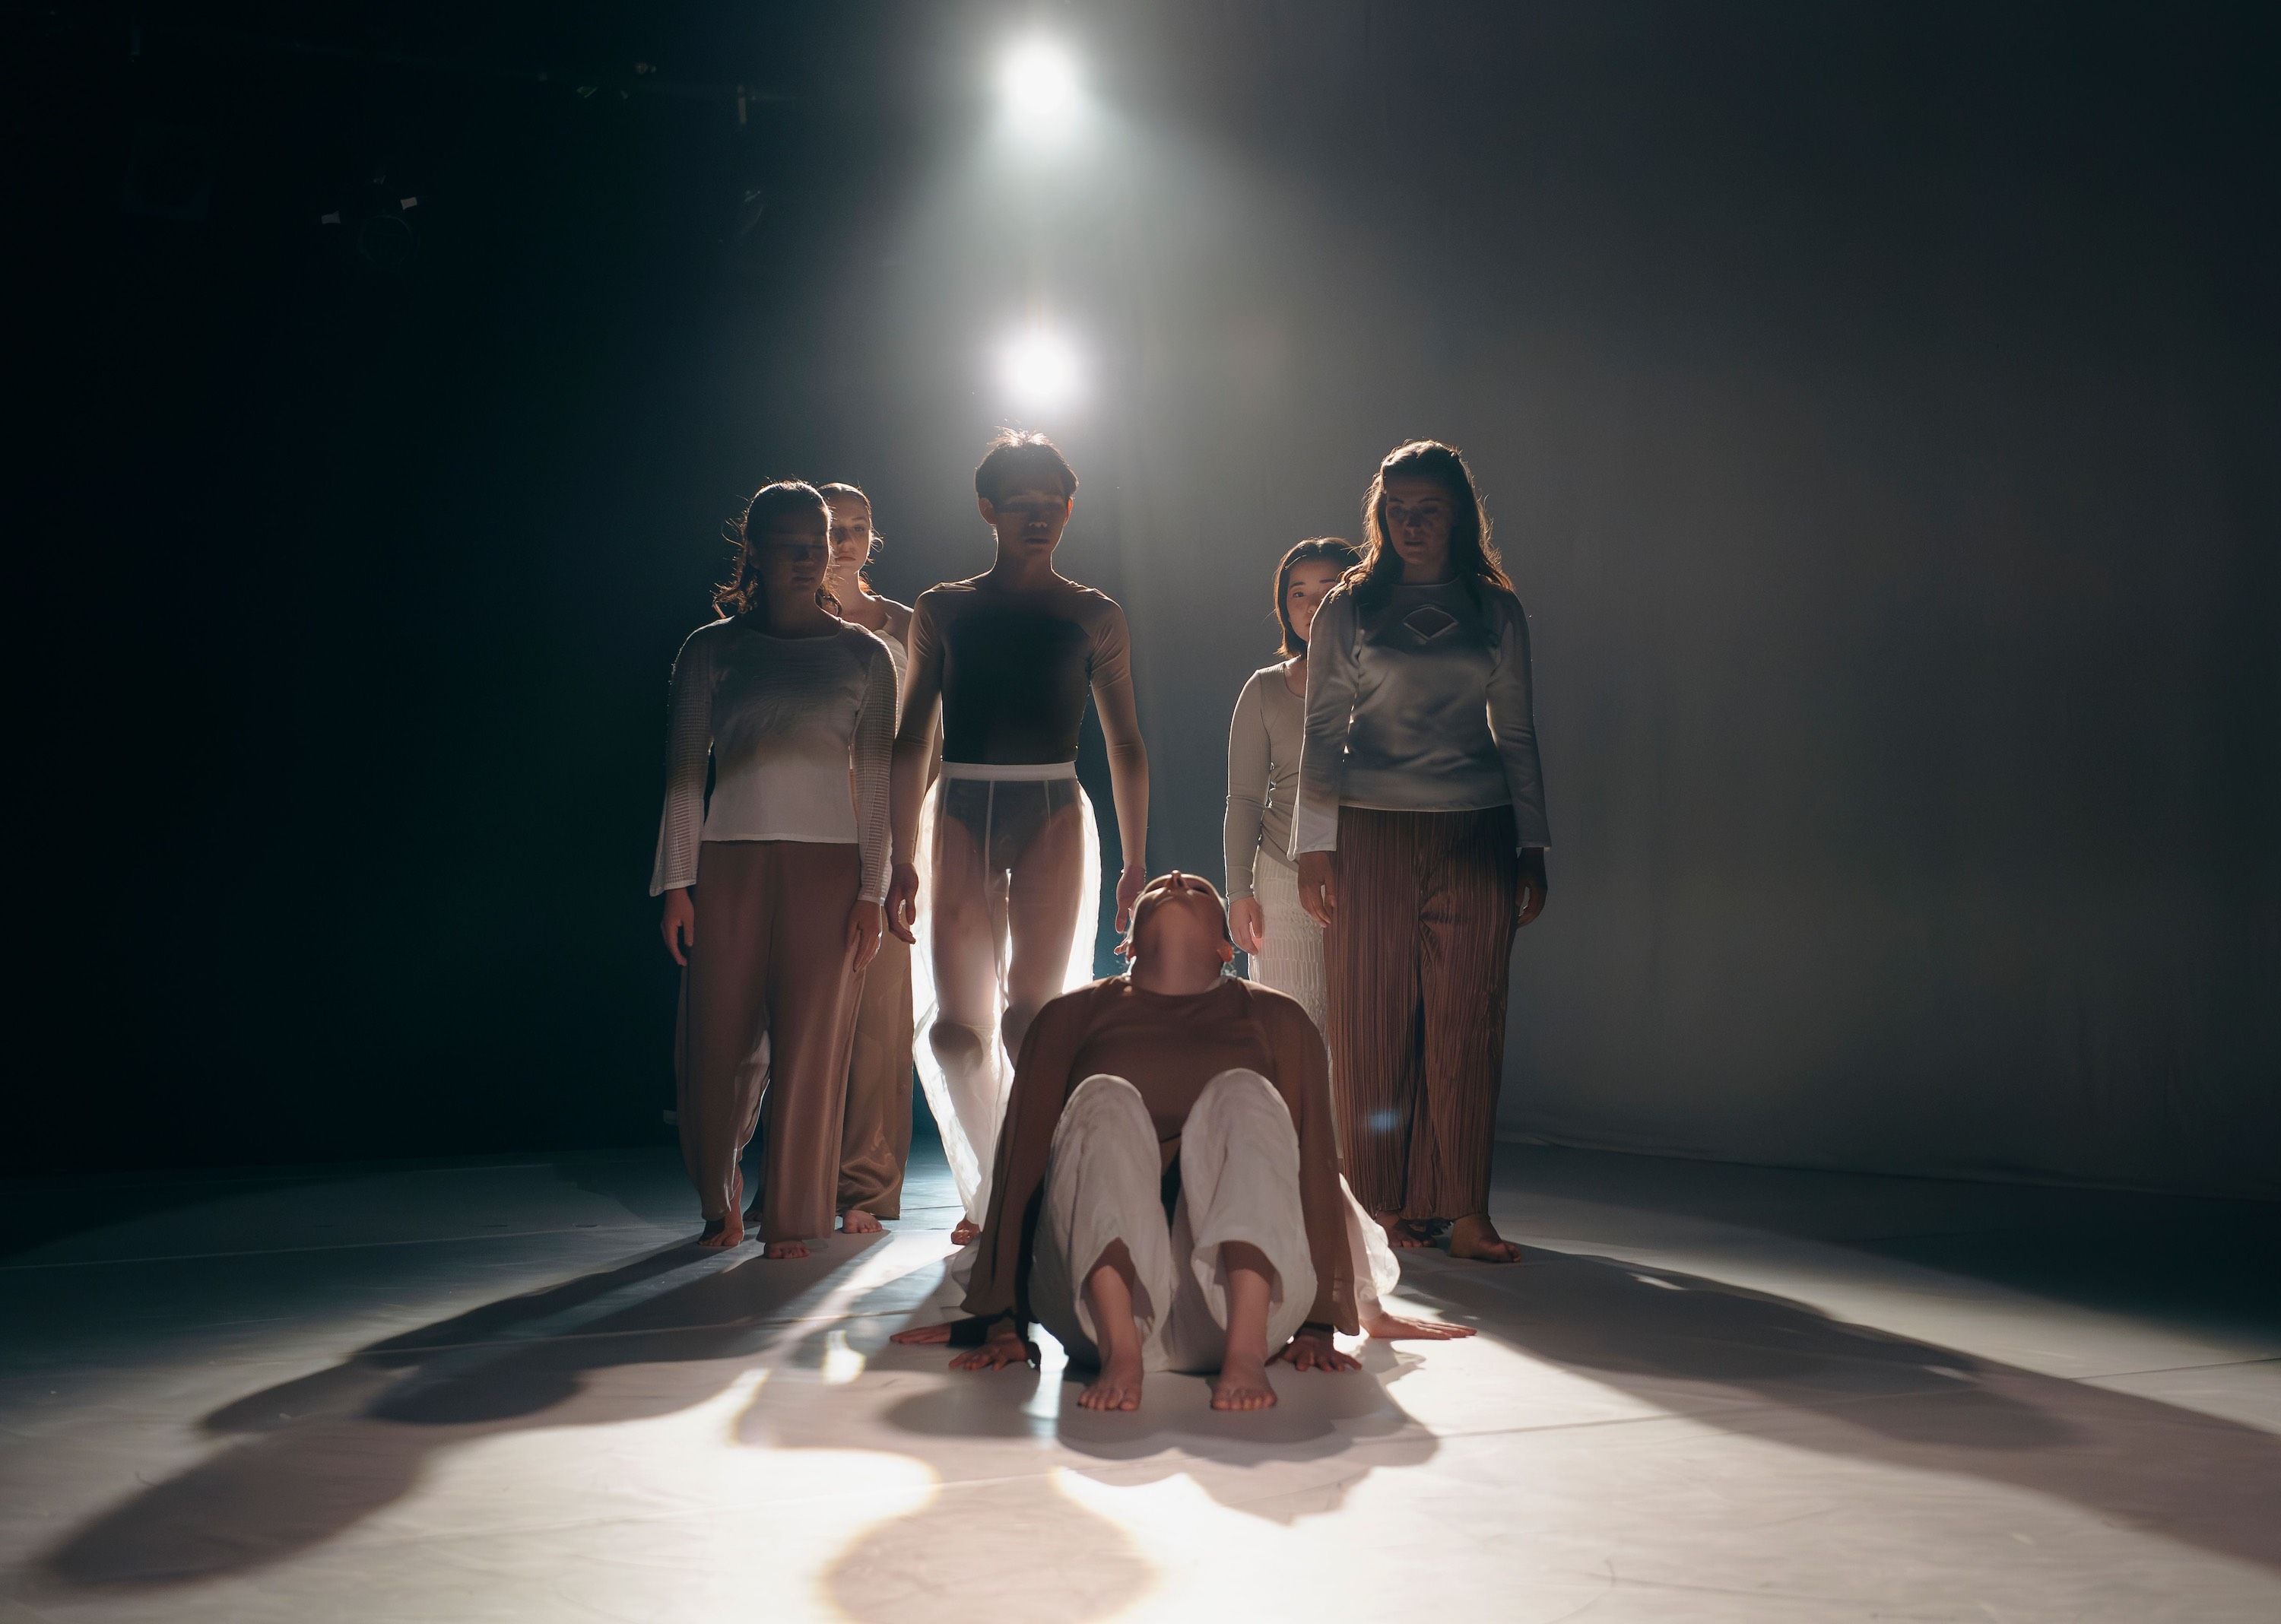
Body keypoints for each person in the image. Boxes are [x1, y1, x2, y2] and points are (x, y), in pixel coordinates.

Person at [892, 873, 1356, 1412]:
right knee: (1103, 1098)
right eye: (1159, 885)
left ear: (1225, 947)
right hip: (1094, 1311)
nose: (1179, 878)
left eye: (1201, 889)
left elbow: (1315, 1173)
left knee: (1244, 1092)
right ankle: (1123, 1353)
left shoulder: (1278, 1018)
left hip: (1234, 1309)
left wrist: (1320, 1323)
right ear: (1129, 943)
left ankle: (1246, 1353)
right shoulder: (1069, 1017)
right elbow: (1025, 1170)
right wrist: (1002, 1321)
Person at [884, 432, 1150, 1245]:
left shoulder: (1094, 614)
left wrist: (1137, 862)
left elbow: (1125, 744)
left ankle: (1027, 1187)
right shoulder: (945, 608)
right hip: (958, 801)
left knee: (1031, 1019)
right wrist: (898, 857)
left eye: (1052, 503)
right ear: (988, 509)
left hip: (1052, 808)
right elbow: (909, 739)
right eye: (1021, 502)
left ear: (1070, 509)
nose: (1038, 516)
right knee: (959, 1032)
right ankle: (995, 1185)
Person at [1293, 441, 1550, 1264]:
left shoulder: (1493, 608)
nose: (1411, 522)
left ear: (1458, 514)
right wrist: (1315, 847)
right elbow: (1323, 730)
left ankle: (1463, 1208)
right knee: (1371, 1020)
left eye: (1427, 507)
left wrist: (1532, 844)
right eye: (1397, 508)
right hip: (1368, 828)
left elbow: (1515, 732)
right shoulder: (1351, 607)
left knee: (1467, 1018)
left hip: (1476, 830)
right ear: (1380, 515)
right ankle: (1378, 1208)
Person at [652, 481, 894, 1257]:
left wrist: (871, 890)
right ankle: (719, 1200)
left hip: (831, 870)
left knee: (815, 1048)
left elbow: (880, 784)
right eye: (787, 543)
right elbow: (685, 775)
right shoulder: (710, 649)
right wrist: (677, 885)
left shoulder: (865, 655)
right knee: (717, 1047)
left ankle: (794, 1217)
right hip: (727, 865)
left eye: (815, 542)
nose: (804, 557)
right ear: (753, 550)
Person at [818, 482, 920, 1235]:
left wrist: (910, 849)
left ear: (873, 536)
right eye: (831, 528)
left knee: (880, 1019)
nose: (844, 541)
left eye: (858, 527)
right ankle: (796, 1177)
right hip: (802, 830)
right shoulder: (769, 628)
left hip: (887, 835)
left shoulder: (911, 629)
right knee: (798, 1016)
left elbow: (928, 746)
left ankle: (867, 1187)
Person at [1225, 538, 1359, 1020]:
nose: (1313, 604)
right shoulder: (1263, 689)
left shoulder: (1390, 683)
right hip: (1283, 877)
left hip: (1375, 872)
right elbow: (1243, 800)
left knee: (1364, 1039)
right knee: (1292, 1032)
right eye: (1298, 593)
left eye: (1330, 588)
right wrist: (1240, 893)